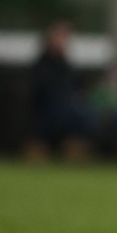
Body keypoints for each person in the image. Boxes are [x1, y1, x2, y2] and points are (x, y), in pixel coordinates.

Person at [25, 21, 91, 161]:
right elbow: (39, 91)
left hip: (67, 109)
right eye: (58, 37)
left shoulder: (68, 66)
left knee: (82, 113)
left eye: (64, 38)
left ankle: (74, 150)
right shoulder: (41, 65)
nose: (61, 41)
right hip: (46, 109)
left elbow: (77, 88)